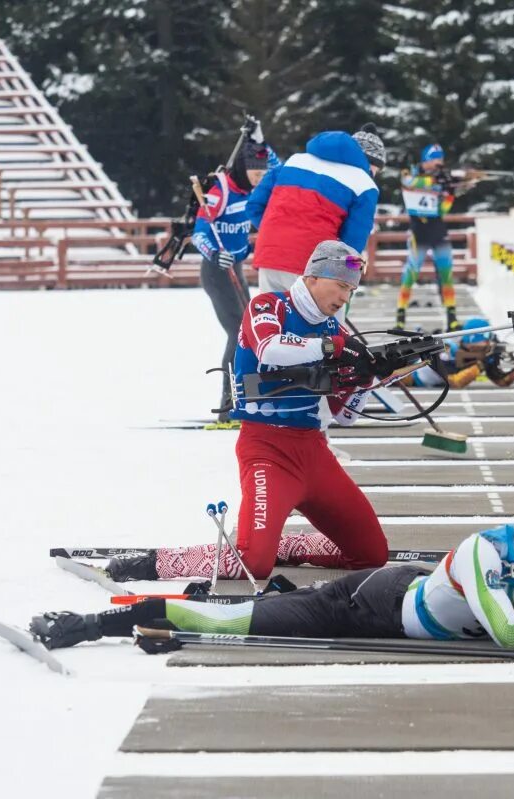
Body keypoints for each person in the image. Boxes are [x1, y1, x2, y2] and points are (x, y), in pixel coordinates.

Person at [30, 479, 514, 650]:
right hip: (367, 603)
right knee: (227, 621)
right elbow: (509, 633)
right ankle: (96, 620)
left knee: (249, 607)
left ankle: (271, 587)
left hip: (407, 601)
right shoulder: (483, 550)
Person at [102, 240, 389, 584]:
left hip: (313, 453)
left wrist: (368, 379)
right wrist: (333, 348)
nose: (345, 297)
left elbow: (343, 416)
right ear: (313, 277)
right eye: (342, 285)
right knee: (255, 563)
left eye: (352, 290)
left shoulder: (332, 328)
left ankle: (281, 545)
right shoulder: (269, 305)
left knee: (372, 555)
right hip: (268, 453)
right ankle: (156, 562)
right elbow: (270, 349)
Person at [191, 125, 280, 420]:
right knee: (237, 332)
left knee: (250, 333)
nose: (259, 177)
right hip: (216, 273)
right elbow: (199, 232)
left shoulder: (256, 188)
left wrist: (260, 139)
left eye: (262, 173)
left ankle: (247, 399)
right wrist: (215, 253)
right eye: (255, 172)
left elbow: (279, 166)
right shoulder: (222, 188)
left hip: (237, 269)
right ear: (244, 168)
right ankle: (227, 407)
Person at [247, 124, 385, 296]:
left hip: (270, 258)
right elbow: (352, 243)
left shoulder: (294, 161)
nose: (374, 174)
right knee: (321, 322)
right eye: (376, 170)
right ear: (369, 161)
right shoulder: (365, 184)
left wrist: (277, 232)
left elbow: (254, 206)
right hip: (316, 266)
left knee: (272, 319)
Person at [396, 144, 473, 329]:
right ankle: (400, 315)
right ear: (426, 160)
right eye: (435, 158)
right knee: (412, 272)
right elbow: (409, 183)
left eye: (441, 158)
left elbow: (442, 210)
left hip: (437, 229)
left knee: (446, 273)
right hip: (418, 229)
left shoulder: (441, 179)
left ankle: (452, 316)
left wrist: (450, 192)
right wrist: (435, 181)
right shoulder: (411, 173)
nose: (439, 162)